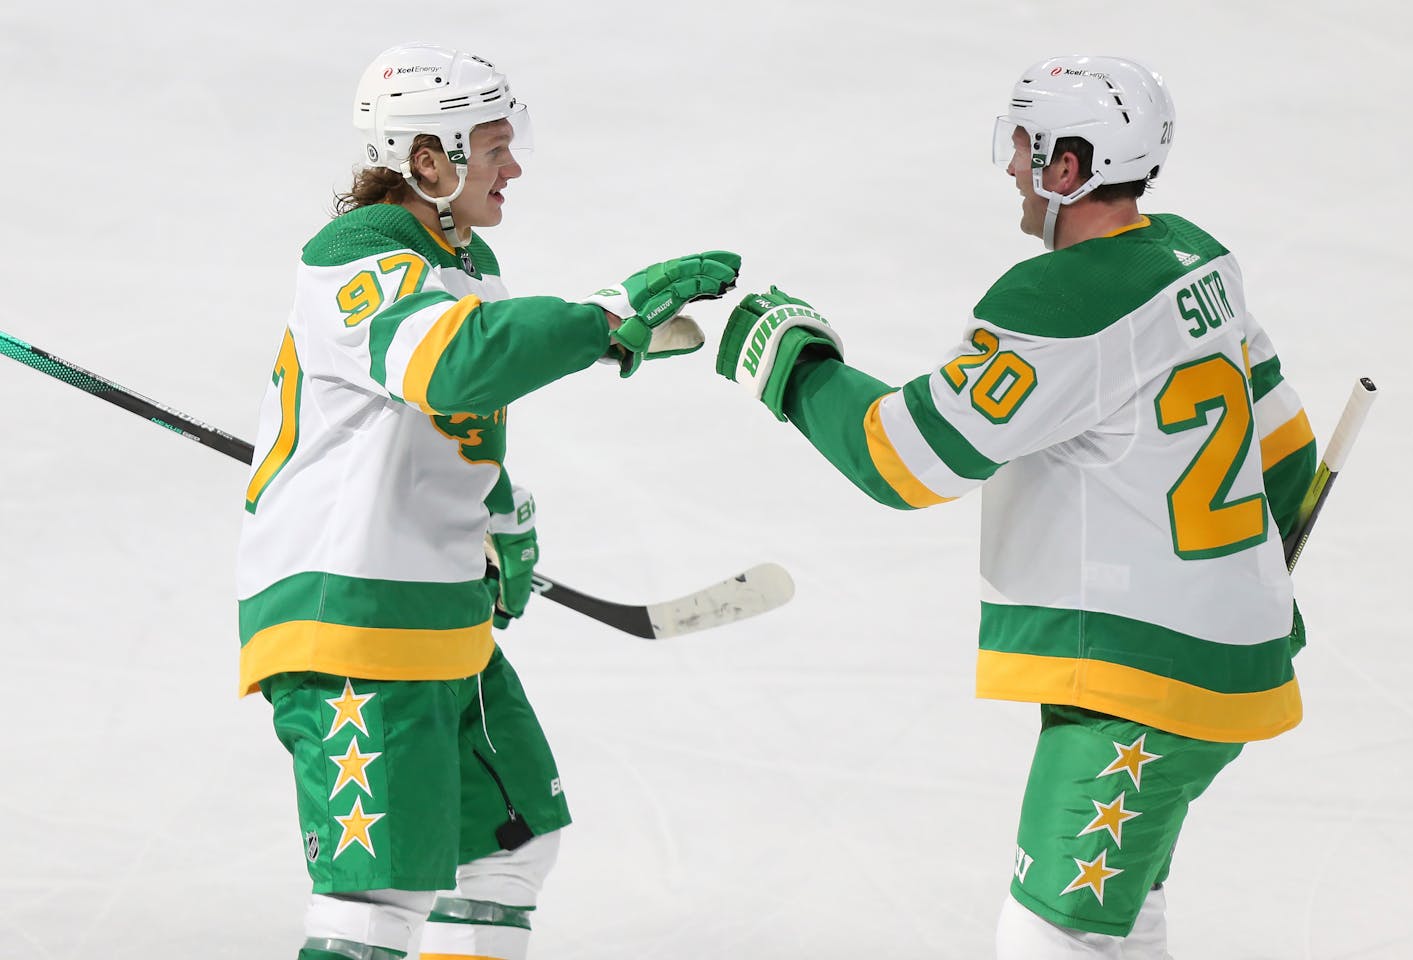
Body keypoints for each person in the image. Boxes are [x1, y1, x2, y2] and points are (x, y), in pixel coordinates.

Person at [715, 56, 1315, 958]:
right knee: (1124, 915)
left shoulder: (1060, 300)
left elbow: (903, 458)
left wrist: (792, 366)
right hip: (1215, 661)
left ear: (1067, 169)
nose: (1011, 166)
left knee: (1051, 937)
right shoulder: (1200, 259)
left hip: (1142, 685)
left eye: (1026, 146)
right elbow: (1290, 456)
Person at [235, 42, 739, 960]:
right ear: (428, 160)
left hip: (429, 613)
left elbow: (461, 410)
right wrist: (598, 318)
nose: (512, 165)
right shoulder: (355, 253)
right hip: (349, 614)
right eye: (493, 145)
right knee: (375, 900)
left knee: (508, 846)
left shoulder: (466, 259)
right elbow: (448, 364)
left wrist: (497, 517)